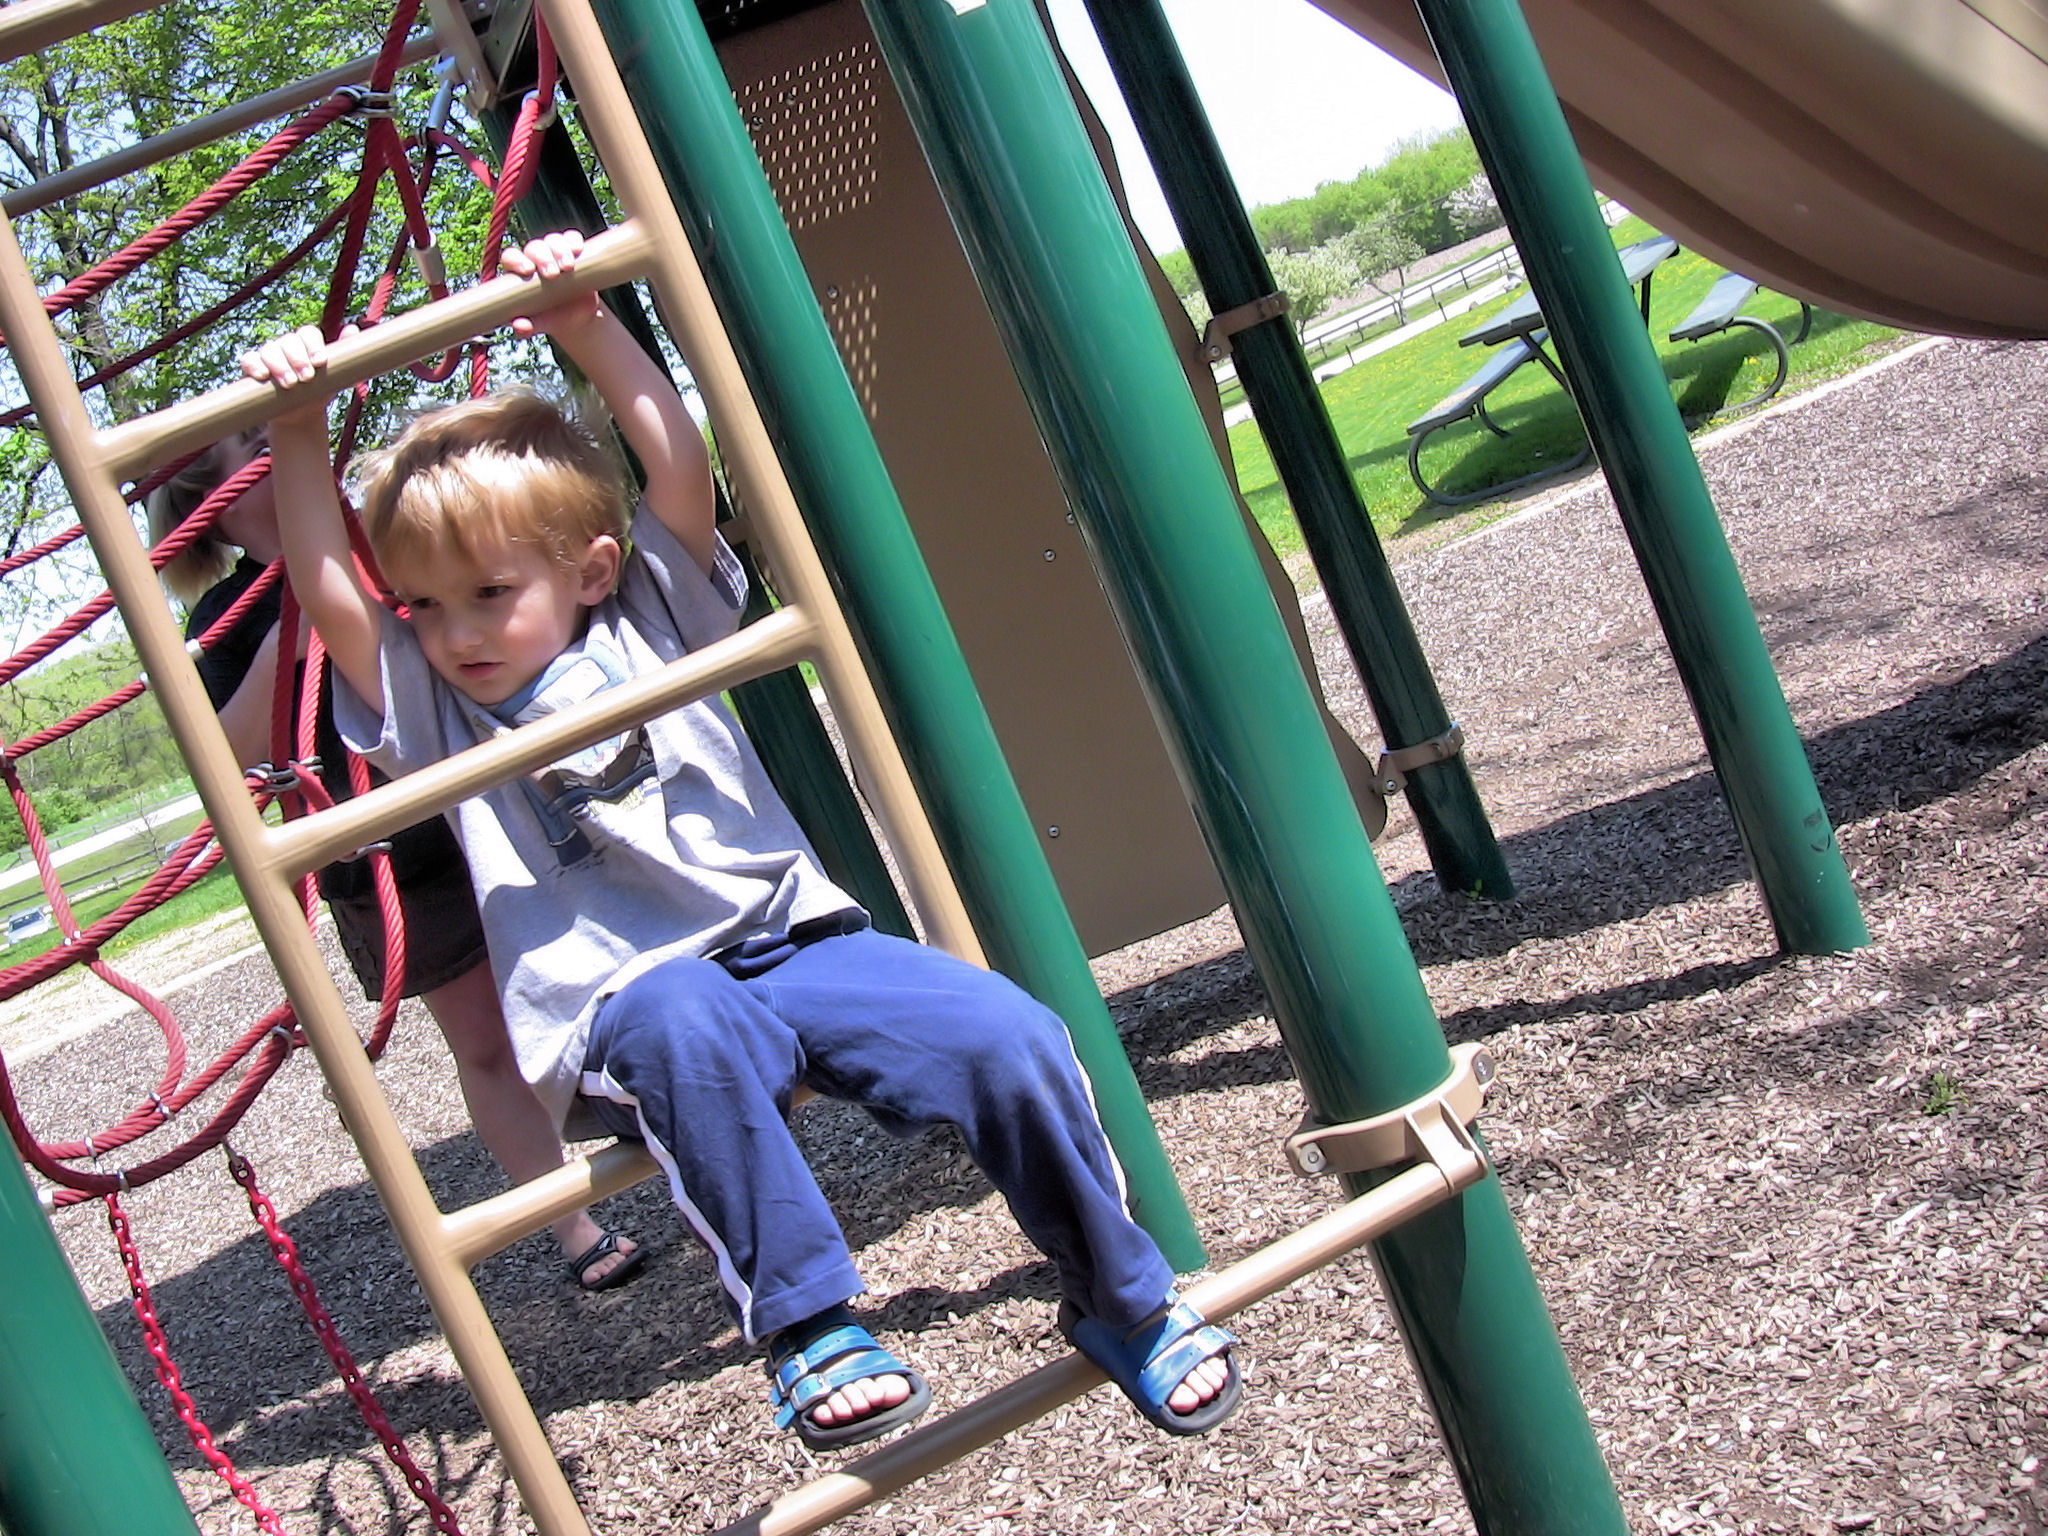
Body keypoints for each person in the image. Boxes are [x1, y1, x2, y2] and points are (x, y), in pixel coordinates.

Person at [239, 229, 1242, 1449]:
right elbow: (332, 595)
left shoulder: (658, 610)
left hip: (785, 942)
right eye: (429, 606)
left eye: (490, 592)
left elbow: (673, 455)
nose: (457, 631)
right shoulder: (439, 710)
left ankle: (1125, 1302)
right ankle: (810, 1326)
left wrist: (583, 320)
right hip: (623, 999)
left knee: (1008, 1032)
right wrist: (297, 428)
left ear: (590, 569)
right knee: (685, 1021)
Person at [148, 432, 647, 1294]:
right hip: (382, 852)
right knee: (486, 1042)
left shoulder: (382, 550)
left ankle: (673, 1129)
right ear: (216, 500)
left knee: (597, 972)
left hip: (483, 803)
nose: (283, 450)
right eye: (255, 448)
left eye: (281, 438)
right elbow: (224, 754)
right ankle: (569, 1223)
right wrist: (287, 642)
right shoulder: (225, 618)